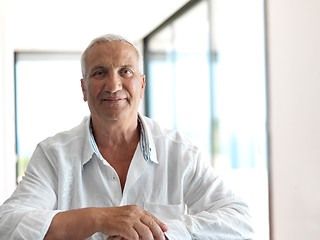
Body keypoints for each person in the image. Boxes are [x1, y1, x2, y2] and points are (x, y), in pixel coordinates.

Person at [0, 34, 254, 240]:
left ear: (142, 85)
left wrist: (157, 233)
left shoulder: (179, 151)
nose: (113, 85)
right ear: (84, 89)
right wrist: (100, 219)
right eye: (99, 73)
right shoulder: (53, 154)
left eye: (125, 71)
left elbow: (240, 222)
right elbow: (8, 225)